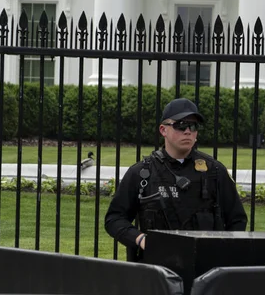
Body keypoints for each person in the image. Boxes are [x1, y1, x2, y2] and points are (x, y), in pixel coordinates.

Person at [105, 98, 248, 261]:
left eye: (193, 126)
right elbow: (114, 219)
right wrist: (141, 239)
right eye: (180, 125)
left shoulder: (214, 171)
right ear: (163, 130)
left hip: (204, 266)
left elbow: (237, 219)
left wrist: (223, 252)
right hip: (157, 268)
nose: (188, 131)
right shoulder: (142, 172)